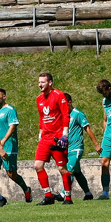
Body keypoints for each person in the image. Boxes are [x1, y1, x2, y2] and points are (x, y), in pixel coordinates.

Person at [34, 72, 73, 205]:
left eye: (43, 82)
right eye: (39, 82)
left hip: (57, 138)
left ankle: (68, 197)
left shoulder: (58, 95)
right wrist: (40, 135)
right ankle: (48, 195)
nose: (40, 85)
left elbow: (65, 114)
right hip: (45, 138)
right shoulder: (39, 99)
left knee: (62, 168)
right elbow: (41, 118)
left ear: (50, 82)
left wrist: (65, 134)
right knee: (38, 165)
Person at [0, 88, 32, 202]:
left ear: (4, 96)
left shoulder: (10, 110)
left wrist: (3, 141)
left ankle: (26, 189)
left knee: (11, 174)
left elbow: (12, 127)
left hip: (8, 146)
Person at [65, 93, 101, 200]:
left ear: (70, 102)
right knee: (77, 172)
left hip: (76, 148)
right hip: (67, 148)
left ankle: (64, 194)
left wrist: (96, 144)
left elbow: (88, 129)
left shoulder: (78, 114)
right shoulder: (63, 115)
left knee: (69, 171)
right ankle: (88, 194)